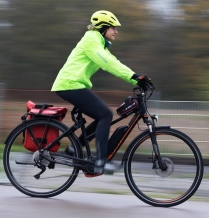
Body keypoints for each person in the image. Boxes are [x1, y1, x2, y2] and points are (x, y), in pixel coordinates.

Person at [51, 10, 143, 175]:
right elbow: (107, 63)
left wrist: (137, 79)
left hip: (73, 84)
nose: (116, 31)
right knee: (105, 115)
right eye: (113, 28)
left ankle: (73, 149)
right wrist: (133, 77)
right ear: (103, 28)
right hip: (70, 84)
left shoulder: (98, 42)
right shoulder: (92, 40)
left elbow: (114, 61)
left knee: (102, 115)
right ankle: (101, 161)